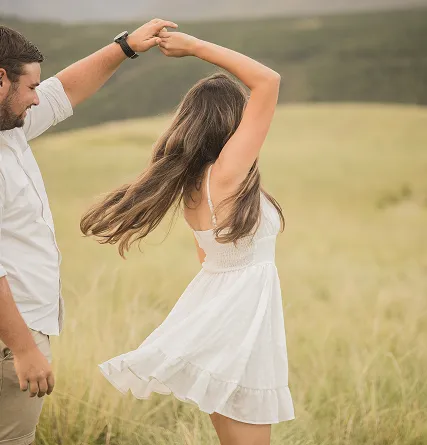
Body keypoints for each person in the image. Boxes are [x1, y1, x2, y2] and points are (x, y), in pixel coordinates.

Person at [81, 30, 295, 445]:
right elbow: (268, 81)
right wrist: (197, 48)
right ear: (232, 122)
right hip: (239, 319)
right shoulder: (226, 176)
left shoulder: (195, 183)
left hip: (222, 312)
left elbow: (208, 258)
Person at [0, 19, 177, 445]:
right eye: (29, 87)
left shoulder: (10, 130)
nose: (37, 98)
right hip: (11, 333)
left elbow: (65, 92)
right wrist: (23, 348)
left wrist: (126, 47)